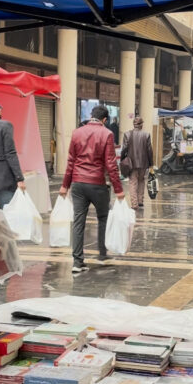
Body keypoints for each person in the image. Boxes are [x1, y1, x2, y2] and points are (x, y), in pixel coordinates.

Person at [59, 104, 125, 273]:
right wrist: (118, 189)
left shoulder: (77, 132)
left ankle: (77, 261)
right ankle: (102, 255)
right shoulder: (107, 134)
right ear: (104, 120)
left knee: (78, 221)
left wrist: (64, 185)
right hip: (97, 183)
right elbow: (111, 164)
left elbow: (71, 162)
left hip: (78, 183)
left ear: (91, 115)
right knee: (103, 217)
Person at [119, 117, 153, 210]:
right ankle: (140, 201)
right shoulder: (146, 135)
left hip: (131, 163)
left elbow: (124, 149)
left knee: (133, 182)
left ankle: (134, 204)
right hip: (143, 163)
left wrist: (122, 160)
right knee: (141, 181)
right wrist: (151, 164)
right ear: (141, 124)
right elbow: (149, 150)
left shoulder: (127, 134)